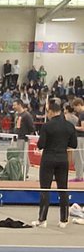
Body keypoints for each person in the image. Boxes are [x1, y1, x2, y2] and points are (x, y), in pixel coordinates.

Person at [35, 97, 77, 227]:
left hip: (48, 158)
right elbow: (73, 144)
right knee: (63, 189)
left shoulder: (47, 126)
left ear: (52, 112)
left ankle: (42, 219)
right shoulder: (70, 126)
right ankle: (63, 220)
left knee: (45, 189)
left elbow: (41, 144)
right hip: (62, 159)